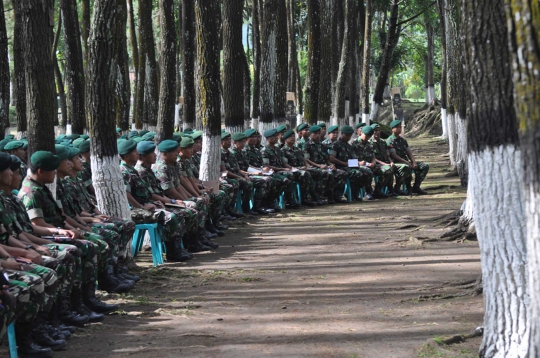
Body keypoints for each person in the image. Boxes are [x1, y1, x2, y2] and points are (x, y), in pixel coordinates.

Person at [17, 151, 119, 316]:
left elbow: (61, 216)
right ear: (41, 171)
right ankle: (68, 307)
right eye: (52, 170)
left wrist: (73, 228)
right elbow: (37, 224)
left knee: (90, 245)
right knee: (78, 250)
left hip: (51, 232)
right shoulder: (32, 193)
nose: (55, 173)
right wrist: (60, 231)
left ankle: (85, 299)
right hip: (42, 236)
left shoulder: (42, 188)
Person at [118, 139, 199, 259]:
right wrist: (141, 207)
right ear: (126, 155)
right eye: (134, 152)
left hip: (148, 205)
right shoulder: (125, 171)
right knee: (170, 217)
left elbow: (148, 193)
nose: (137, 154)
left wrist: (167, 202)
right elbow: (126, 194)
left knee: (183, 212)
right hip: (136, 210)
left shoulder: (133, 170)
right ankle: (173, 252)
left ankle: (181, 246)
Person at [151, 139, 217, 252]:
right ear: (165, 154)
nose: (177, 154)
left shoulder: (173, 165)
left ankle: (198, 237)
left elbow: (178, 186)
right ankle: (187, 243)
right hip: (166, 201)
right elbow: (170, 191)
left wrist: (189, 199)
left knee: (197, 202)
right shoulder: (161, 168)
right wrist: (183, 201)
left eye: (177, 151)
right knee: (191, 208)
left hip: (171, 200)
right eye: (174, 152)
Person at [230, 132, 276, 214]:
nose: (243, 143)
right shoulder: (233, 153)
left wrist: (260, 170)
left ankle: (264, 204)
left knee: (269, 179)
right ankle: (250, 207)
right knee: (260, 182)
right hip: (240, 176)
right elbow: (238, 170)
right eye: (241, 142)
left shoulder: (242, 152)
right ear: (235, 143)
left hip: (247, 174)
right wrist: (252, 174)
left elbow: (247, 166)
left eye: (244, 141)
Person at [303, 125, 347, 203]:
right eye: (315, 133)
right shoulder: (307, 145)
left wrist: (331, 164)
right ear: (310, 134)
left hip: (325, 166)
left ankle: (336, 196)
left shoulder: (322, 145)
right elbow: (307, 159)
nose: (317, 135)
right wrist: (319, 165)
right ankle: (319, 196)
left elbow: (327, 159)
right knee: (326, 173)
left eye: (319, 133)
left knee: (342, 173)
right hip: (313, 167)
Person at [329, 125, 374, 201]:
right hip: (340, 167)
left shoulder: (349, 146)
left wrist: (359, 163)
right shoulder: (335, 145)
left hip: (350, 166)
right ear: (342, 133)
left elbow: (353, 158)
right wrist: (344, 163)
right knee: (357, 173)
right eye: (347, 135)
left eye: (350, 135)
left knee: (367, 172)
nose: (348, 137)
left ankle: (358, 192)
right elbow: (332, 158)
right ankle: (350, 194)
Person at [281, 129, 324, 206]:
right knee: (305, 174)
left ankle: (318, 196)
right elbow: (285, 164)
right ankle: (305, 198)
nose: (293, 138)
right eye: (290, 137)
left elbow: (305, 160)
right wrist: (297, 168)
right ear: (285, 139)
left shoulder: (298, 149)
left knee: (320, 172)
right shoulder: (283, 150)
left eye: (293, 137)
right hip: (292, 170)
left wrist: (308, 166)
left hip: (303, 169)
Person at [387, 120, 429, 195]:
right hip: (396, 163)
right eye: (397, 127)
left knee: (424, 166)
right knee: (406, 167)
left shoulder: (403, 140)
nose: (399, 129)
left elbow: (409, 153)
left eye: (400, 127)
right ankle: (398, 187)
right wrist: (407, 163)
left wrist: (414, 162)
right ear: (392, 129)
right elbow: (394, 155)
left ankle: (416, 186)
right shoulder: (390, 140)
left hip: (406, 162)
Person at [244, 129, 283, 212]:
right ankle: (258, 206)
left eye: (256, 137)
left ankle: (270, 202)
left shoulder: (256, 150)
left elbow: (261, 164)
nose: (255, 139)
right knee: (266, 181)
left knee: (278, 180)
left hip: (260, 172)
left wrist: (265, 169)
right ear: (246, 139)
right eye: (252, 137)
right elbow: (247, 166)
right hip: (250, 173)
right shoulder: (244, 151)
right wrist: (259, 170)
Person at [261, 129, 299, 209]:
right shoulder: (265, 151)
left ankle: (289, 200)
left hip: (280, 171)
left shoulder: (278, 149)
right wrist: (283, 169)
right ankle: (270, 201)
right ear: (268, 138)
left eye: (276, 136)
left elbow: (284, 162)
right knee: (284, 179)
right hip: (272, 172)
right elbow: (267, 166)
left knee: (291, 175)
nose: (276, 138)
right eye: (274, 136)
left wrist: (290, 168)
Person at [370, 123, 410, 196]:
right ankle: (378, 190)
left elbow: (388, 155)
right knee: (388, 169)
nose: (377, 132)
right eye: (375, 130)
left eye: (378, 130)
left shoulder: (383, 142)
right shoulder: (370, 143)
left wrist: (391, 162)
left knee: (403, 167)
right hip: (377, 164)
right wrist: (385, 164)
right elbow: (373, 158)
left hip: (387, 163)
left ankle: (394, 189)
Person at [353, 125, 391, 198]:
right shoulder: (354, 143)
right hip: (359, 166)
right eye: (366, 135)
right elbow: (350, 159)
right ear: (361, 133)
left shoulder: (369, 144)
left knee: (387, 169)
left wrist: (373, 163)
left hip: (370, 165)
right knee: (368, 171)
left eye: (369, 136)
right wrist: (359, 163)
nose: (367, 137)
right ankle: (368, 191)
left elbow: (373, 156)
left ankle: (378, 190)